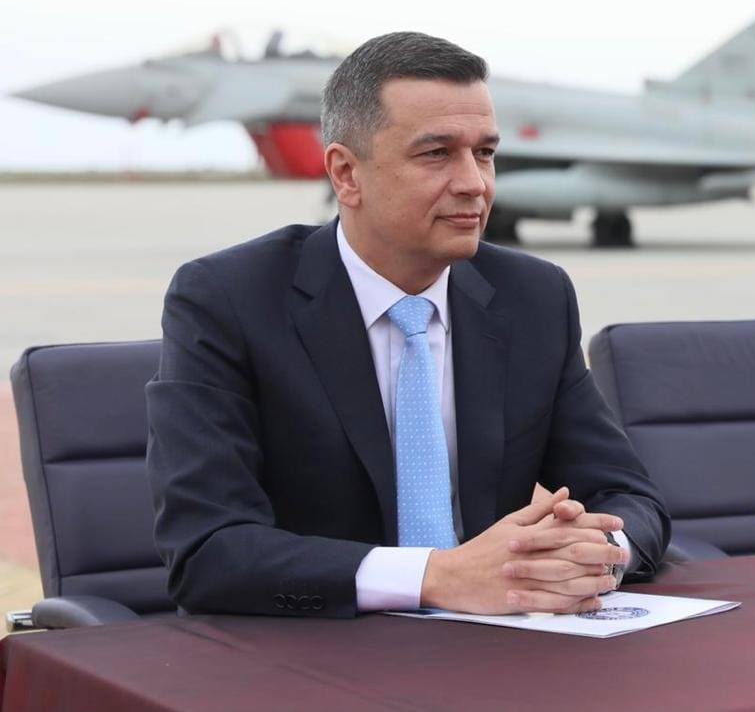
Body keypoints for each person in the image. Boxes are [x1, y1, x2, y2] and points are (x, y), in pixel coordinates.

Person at [146, 31, 670, 619]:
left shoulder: (533, 297)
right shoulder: (228, 299)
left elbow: (629, 498)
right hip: (315, 644)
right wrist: (434, 577)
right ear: (346, 173)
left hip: (499, 639)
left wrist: (596, 553)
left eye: (485, 153)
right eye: (436, 154)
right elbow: (208, 550)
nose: (475, 183)